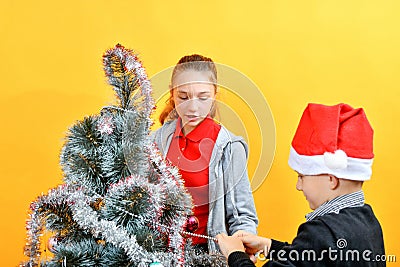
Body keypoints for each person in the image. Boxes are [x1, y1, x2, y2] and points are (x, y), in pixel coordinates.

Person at [217, 103, 385, 266]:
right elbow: (316, 257)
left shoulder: (321, 232)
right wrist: (269, 246)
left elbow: (316, 251)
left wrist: (235, 255)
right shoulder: (369, 222)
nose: (299, 186)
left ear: (331, 180)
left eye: (302, 176)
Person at [152, 54, 258, 253]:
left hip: (205, 253)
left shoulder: (229, 147)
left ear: (215, 94)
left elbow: (242, 215)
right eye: (183, 97)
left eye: (203, 97)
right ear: (172, 93)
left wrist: (243, 248)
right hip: (159, 251)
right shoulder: (157, 141)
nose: (193, 107)